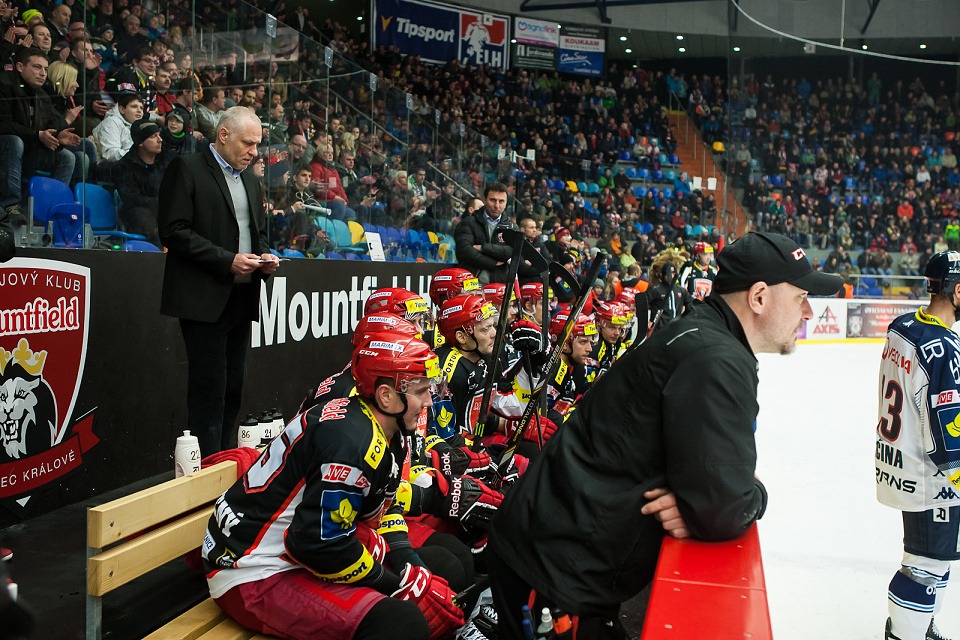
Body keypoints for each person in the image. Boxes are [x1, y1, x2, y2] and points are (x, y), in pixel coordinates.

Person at [488, 232, 842, 640]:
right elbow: (724, 506)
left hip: (559, 557)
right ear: (759, 297)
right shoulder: (717, 359)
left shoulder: (703, 335)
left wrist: (702, 497)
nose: (808, 312)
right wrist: (748, 495)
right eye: (801, 297)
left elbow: (710, 491)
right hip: (553, 572)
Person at [202, 333, 465, 640]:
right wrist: (396, 585)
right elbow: (317, 545)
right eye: (421, 391)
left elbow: (380, 510)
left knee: (442, 568)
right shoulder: (350, 443)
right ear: (385, 395)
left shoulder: (386, 427)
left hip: (299, 547)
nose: (429, 401)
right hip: (251, 570)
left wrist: (410, 568)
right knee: (400, 624)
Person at [157, 107, 280, 456]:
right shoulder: (187, 168)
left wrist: (264, 258)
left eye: (257, 144)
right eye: (248, 143)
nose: (254, 151)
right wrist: (227, 261)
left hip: (242, 298)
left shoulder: (252, 181)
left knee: (232, 388)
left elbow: (258, 233)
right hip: (203, 299)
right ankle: (207, 466)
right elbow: (173, 231)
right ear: (223, 135)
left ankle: (223, 458)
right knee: (208, 390)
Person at [877, 251, 960, 640]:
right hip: (932, 477)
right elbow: (946, 431)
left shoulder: (902, 326)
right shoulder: (944, 348)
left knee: (933, 558)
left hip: (900, 460)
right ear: (957, 291)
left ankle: (919, 626)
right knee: (926, 563)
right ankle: (904, 633)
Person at [0, 47, 78, 223]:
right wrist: (37, 135)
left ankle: (52, 210)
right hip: (6, 148)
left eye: (45, 69)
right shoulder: (4, 85)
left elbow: (53, 123)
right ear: (20, 67)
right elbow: (3, 124)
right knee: (14, 141)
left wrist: (58, 136)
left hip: (28, 149)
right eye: (37, 67)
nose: (43, 73)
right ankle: (11, 205)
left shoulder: (41, 94)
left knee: (67, 157)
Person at [454, 183, 519, 285]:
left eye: (501, 201)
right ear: (484, 200)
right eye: (493, 200)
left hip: (501, 284)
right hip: (471, 282)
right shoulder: (469, 222)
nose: (497, 206)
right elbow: (464, 251)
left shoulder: (512, 227)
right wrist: (493, 263)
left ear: (506, 203)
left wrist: (483, 248)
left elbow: (514, 252)